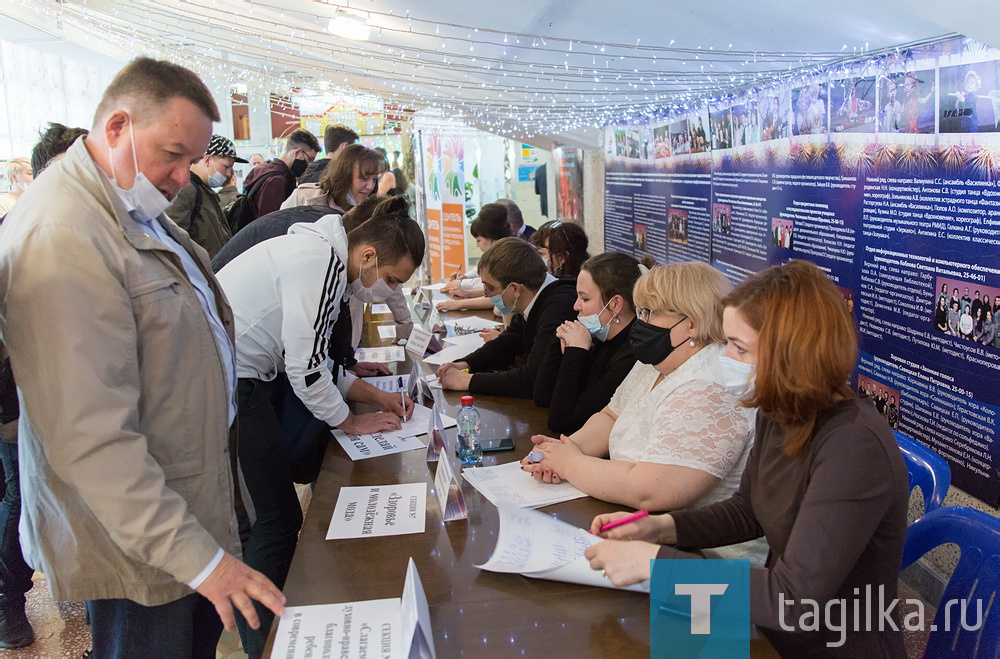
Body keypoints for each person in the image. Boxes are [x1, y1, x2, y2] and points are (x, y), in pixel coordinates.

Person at [0, 56, 285, 656]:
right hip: (143, 543)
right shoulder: (64, 235)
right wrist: (204, 563)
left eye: (192, 159)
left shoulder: (132, 205)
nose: (184, 176)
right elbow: (90, 438)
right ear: (117, 126)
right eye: (171, 154)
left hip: (181, 512)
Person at [585, 260, 908, 656]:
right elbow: (747, 510)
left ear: (790, 352)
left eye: (739, 347)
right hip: (773, 625)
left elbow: (794, 600)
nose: (726, 358)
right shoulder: (780, 408)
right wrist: (658, 529)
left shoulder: (855, 448)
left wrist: (655, 562)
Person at [216, 208, 423, 657]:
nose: (390, 290)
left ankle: (274, 637)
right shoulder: (320, 263)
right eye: (391, 279)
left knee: (277, 518)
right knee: (269, 521)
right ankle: (266, 646)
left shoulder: (326, 258)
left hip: (244, 377)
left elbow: (313, 358)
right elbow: (305, 368)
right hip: (228, 383)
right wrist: (349, 421)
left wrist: (372, 394)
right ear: (367, 256)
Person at [522, 263, 762, 558]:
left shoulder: (709, 383)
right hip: (645, 529)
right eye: (642, 311)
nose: (641, 322)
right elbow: (612, 415)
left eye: (652, 313)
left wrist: (570, 464)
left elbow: (652, 489)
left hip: (711, 563)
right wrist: (560, 452)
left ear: (694, 323)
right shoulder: (659, 360)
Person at [435, 237, 577, 397]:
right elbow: (508, 342)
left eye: (489, 289)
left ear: (515, 288)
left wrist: (469, 381)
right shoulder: (536, 297)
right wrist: (466, 363)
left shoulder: (558, 308)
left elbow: (533, 379)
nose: (487, 295)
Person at [533, 253, 645, 435]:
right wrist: (560, 340)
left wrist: (575, 352)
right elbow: (542, 396)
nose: (576, 306)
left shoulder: (632, 355)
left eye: (585, 299)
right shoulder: (599, 336)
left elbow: (563, 422)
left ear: (616, 303)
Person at [165, 134, 246, 257]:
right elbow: (172, 240)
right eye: (226, 166)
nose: (229, 173)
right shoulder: (185, 190)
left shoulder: (204, 190)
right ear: (208, 160)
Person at [438, 202, 511, 310]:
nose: (477, 245)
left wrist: (461, 303)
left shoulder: (507, 258)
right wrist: (468, 291)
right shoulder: (499, 253)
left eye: (478, 240)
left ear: (490, 237)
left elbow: (499, 297)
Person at [240, 129, 319, 225]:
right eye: (309, 159)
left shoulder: (263, 169)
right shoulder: (277, 180)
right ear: (297, 152)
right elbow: (271, 224)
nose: (309, 164)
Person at [281, 143, 382, 213]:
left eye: (374, 180)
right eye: (364, 178)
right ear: (345, 173)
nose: (370, 186)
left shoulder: (372, 212)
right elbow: (278, 228)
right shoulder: (304, 196)